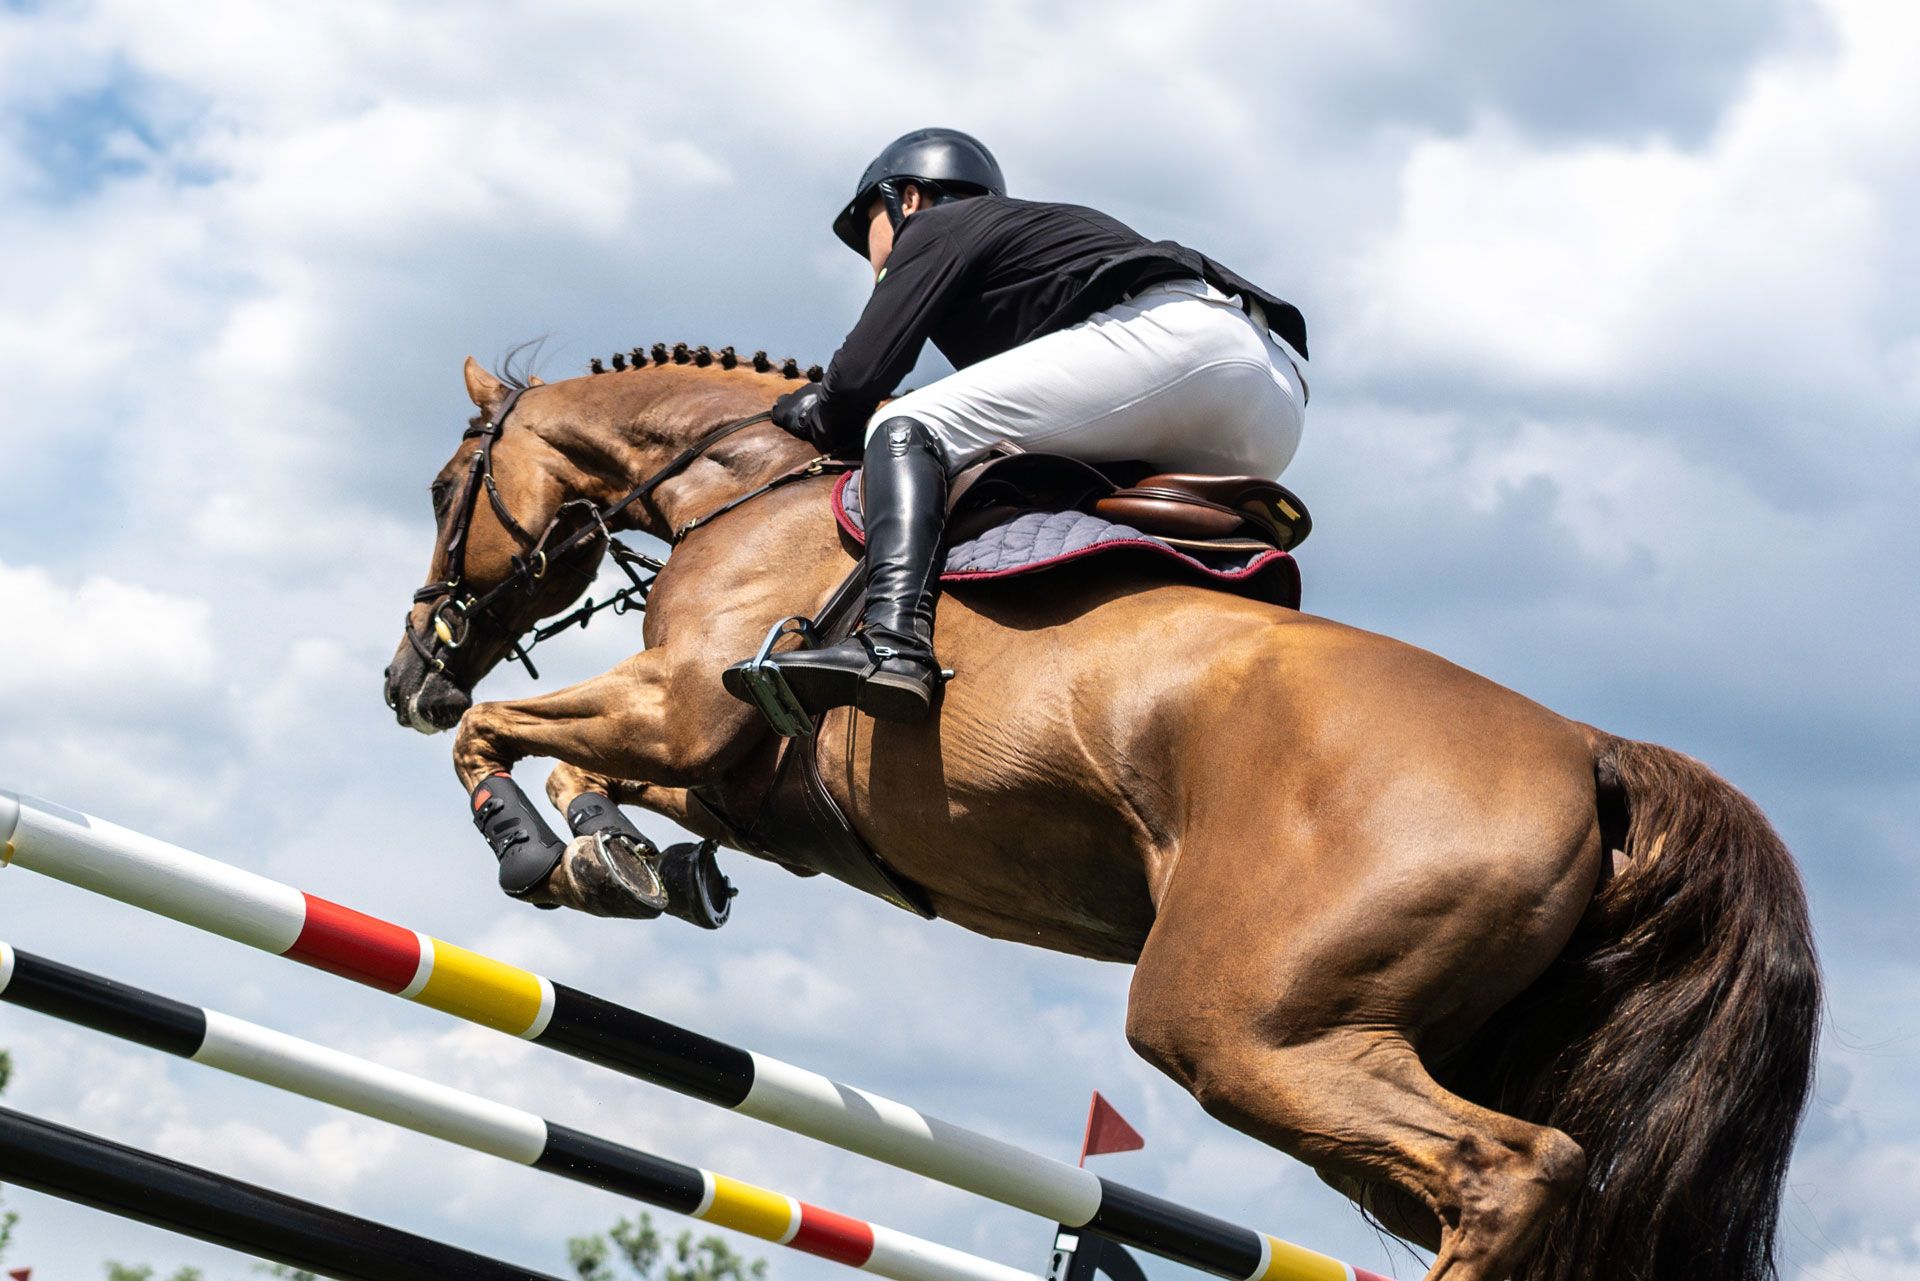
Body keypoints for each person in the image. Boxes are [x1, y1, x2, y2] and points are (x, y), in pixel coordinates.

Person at [725, 127, 1309, 725]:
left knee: (906, 421)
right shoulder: (1021, 246)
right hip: (1274, 402)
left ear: (908, 198)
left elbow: (859, 379)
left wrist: (815, 410)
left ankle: (891, 644)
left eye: (868, 220)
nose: (869, 249)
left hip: (1183, 348)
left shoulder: (935, 227)